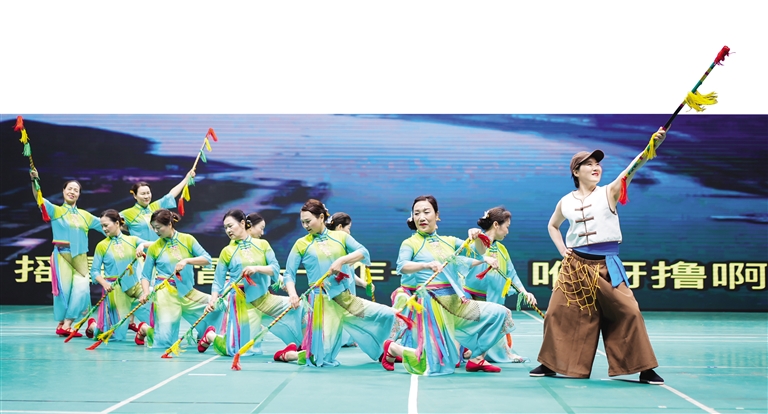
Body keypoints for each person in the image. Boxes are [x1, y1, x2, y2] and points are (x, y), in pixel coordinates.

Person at [529, 128, 666, 385]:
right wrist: (562, 250)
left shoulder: (609, 192)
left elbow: (631, 170)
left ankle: (644, 368)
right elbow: (552, 226)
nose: (596, 168)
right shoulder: (565, 201)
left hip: (606, 264)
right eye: (589, 164)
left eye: (598, 164)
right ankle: (550, 363)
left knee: (629, 311)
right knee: (556, 313)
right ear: (575, 171)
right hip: (574, 266)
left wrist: (652, 146)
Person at [384, 195, 515, 376]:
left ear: (437, 215)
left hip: (456, 303)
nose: (421, 217)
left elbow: (478, 252)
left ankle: (477, 358)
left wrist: (477, 236)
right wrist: (425, 265)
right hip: (432, 306)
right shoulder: (410, 243)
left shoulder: (450, 241)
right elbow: (402, 266)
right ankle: (393, 348)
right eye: (417, 213)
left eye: (426, 212)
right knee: (437, 366)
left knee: (500, 313)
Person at [282, 199, 395, 367]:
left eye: (308, 221)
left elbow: (363, 252)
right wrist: (292, 294)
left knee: (387, 315)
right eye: (303, 222)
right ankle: (287, 354)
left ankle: (384, 350)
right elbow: (289, 275)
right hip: (321, 304)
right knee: (319, 359)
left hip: (345, 300)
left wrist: (342, 260)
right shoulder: (301, 244)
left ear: (321, 217)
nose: (305, 226)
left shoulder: (340, 237)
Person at [198, 210, 303, 359]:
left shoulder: (262, 244)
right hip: (241, 303)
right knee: (241, 350)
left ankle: (302, 345)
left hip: (264, 298)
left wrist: (257, 269)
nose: (228, 230)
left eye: (230, 226)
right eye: (225, 227)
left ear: (242, 223)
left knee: (300, 306)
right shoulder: (227, 251)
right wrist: (213, 300)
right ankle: (211, 336)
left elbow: (275, 268)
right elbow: (218, 281)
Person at [29, 170, 104, 336]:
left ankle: (71, 323)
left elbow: (105, 224)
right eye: (69, 189)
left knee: (82, 289)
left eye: (76, 190)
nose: (72, 192)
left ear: (79, 194)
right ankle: (64, 324)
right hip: (62, 255)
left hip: (81, 258)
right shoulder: (56, 211)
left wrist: (121, 223)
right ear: (63, 191)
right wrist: (35, 182)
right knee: (65, 291)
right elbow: (39, 198)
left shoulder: (85, 216)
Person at [137, 209, 223, 349]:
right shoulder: (154, 248)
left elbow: (207, 259)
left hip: (187, 292)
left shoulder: (187, 239)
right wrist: (146, 292)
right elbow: (145, 276)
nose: (156, 231)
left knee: (220, 305)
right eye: (153, 228)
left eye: (158, 227)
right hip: (165, 294)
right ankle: (146, 329)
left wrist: (187, 261)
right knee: (164, 341)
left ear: (170, 224)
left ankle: (205, 334)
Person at [465, 207, 536, 363]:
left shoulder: (502, 250)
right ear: (496, 224)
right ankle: (472, 351)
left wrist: (524, 292)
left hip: (492, 302)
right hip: (471, 302)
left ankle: (477, 352)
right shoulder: (476, 242)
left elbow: (512, 274)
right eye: (507, 227)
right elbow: (466, 260)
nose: (507, 232)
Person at [86, 209, 151, 343]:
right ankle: (93, 326)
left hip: (135, 285)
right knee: (115, 336)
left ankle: (142, 330)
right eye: (102, 226)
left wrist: (142, 245)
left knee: (152, 311)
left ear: (117, 223)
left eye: (106, 225)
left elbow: (157, 244)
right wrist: (105, 284)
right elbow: (94, 271)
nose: (104, 229)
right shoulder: (102, 246)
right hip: (115, 289)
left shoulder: (132, 240)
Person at [120, 170, 195, 241]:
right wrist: (129, 229)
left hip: (160, 249)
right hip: (141, 250)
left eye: (148, 193)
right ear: (135, 196)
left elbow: (171, 195)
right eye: (143, 194)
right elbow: (114, 225)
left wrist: (186, 179)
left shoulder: (156, 207)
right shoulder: (127, 213)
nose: (146, 196)